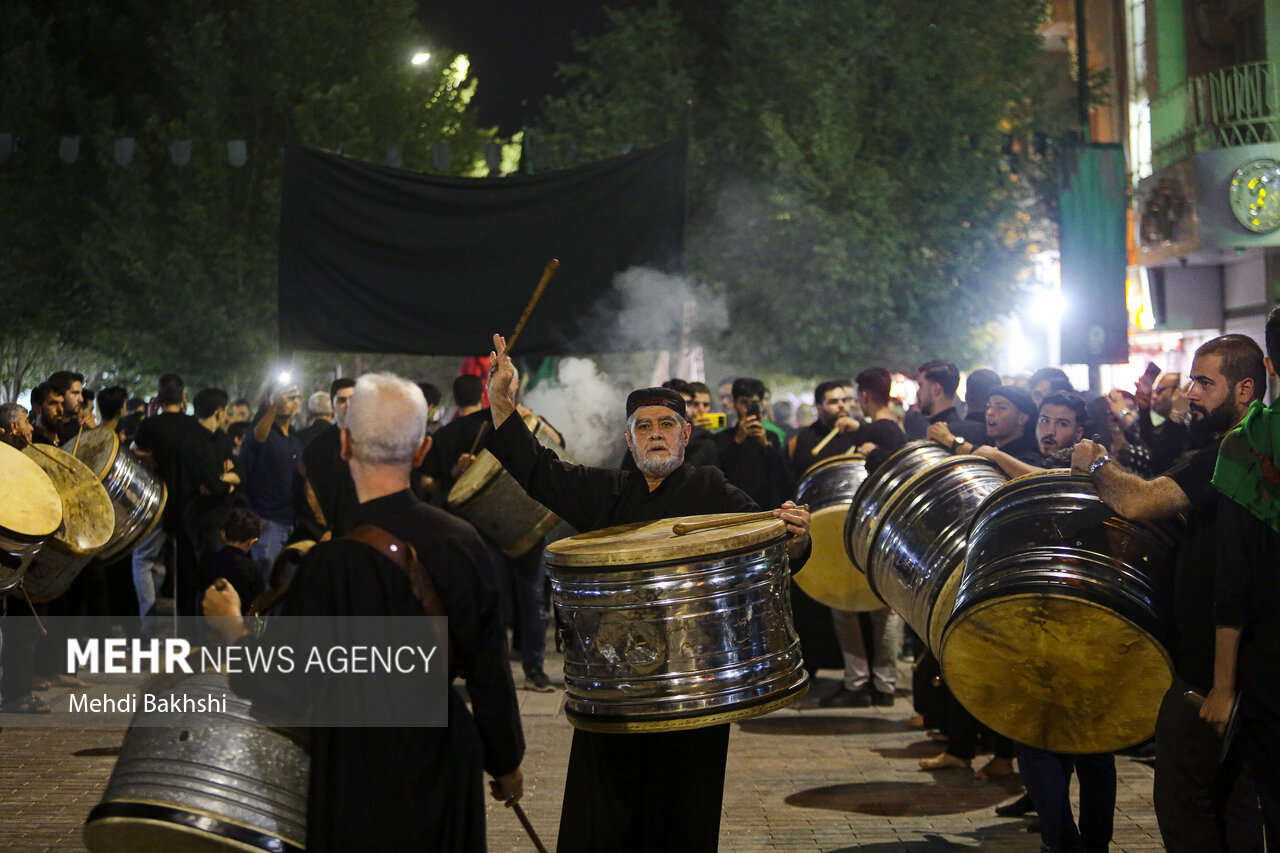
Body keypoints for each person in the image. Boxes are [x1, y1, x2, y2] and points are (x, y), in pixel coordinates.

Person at [483, 333, 810, 853]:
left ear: (684, 437)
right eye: (644, 427)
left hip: (693, 694)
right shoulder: (606, 493)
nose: (655, 435)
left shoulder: (713, 492)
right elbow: (538, 471)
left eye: (666, 425)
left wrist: (796, 539)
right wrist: (502, 403)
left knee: (682, 816)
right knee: (604, 818)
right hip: (616, 692)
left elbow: (767, 550)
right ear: (630, 440)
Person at [203, 372, 524, 853]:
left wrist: (232, 632)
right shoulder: (462, 542)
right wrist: (505, 761)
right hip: (442, 752)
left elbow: (282, 685)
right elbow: (490, 669)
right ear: (420, 452)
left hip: (355, 762)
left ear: (346, 444)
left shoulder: (327, 563)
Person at [1071, 333, 1267, 853]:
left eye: (1206, 383)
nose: (1191, 394)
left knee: (1184, 800)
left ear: (1245, 388)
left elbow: (1142, 502)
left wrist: (1093, 463)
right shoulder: (1237, 448)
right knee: (1232, 800)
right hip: (1234, 660)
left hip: (1213, 667)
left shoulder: (1235, 452)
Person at [1200, 307, 1280, 848]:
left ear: (1271, 366)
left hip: (1271, 660)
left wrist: (1222, 686)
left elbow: (1233, 579)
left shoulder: (1247, 446)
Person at [131, 374, 200, 629]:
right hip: (188, 504)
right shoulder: (193, 425)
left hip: (158, 503)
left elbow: (135, 452)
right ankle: (188, 627)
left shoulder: (151, 425)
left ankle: (149, 625)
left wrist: (151, 415)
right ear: (183, 398)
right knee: (186, 565)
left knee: (143, 560)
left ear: (159, 398)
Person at [240, 380, 303, 576]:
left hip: (292, 522)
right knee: (267, 585)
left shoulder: (295, 442)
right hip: (267, 522)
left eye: (292, 398)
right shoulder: (262, 435)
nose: (287, 402)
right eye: (280, 398)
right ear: (269, 404)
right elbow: (258, 437)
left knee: (284, 588)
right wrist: (276, 406)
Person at [712, 377, 794, 509]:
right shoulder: (722, 438)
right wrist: (737, 440)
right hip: (734, 511)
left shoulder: (771, 437)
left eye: (754, 403)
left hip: (767, 509)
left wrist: (766, 445)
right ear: (735, 403)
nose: (747, 409)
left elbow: (783, 476)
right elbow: (719, 473)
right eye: (744, 402)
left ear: (761, 404)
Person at [296, 378, 357, 540]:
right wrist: (320, 531)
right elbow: (304, 490)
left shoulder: (375, 443)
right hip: (331, 535)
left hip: (366, 535)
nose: (348, 405)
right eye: (342, 400)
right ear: (332, 407)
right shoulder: (319, 446)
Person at [928, 384, 1042, 465]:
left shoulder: (1029, 459)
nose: (990, 412)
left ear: (1022, 418)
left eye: (1001, 408)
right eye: (989, 406)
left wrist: (949, 440)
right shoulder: (986, 441)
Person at [915, 361, 986, 447]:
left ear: (936, 390)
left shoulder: (950, 434)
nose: (918, 393)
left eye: (921, 385)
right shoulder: (962, 430)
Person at [1136, 371, 1190, 475]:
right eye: (1154, 391)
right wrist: (1144, 410)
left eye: (1159, 390)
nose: (1154, 396)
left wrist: (1176, 414)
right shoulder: (1171, 422)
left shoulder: (1191, 422)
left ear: (1180, 391)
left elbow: (1163, 459)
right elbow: (1151, 442)